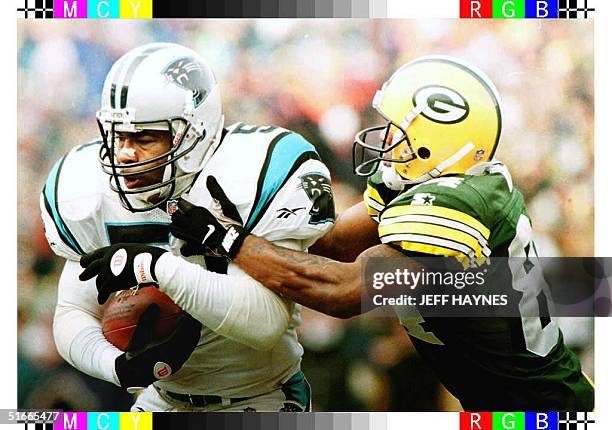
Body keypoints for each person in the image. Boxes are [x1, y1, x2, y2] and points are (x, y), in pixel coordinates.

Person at [170, 56, 595, 411]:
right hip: (503, 403)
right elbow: (333, 241)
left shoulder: (456, 203)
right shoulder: (436, 185)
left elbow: (342, 291)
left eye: (397, 127)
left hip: (545, 410)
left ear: (434, 137)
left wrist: (228, 241)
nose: (384, 135)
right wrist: (251, 217)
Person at [40, 42, 336, 412]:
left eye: (145, 137)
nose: (125, 153)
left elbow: (264, 323)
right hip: (161, 400)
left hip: (259, 398)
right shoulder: (87, 186)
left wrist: (157, 267)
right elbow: (72, 310)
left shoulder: (250, 171)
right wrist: (115, 366)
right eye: (118, 136)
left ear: (195, 132)